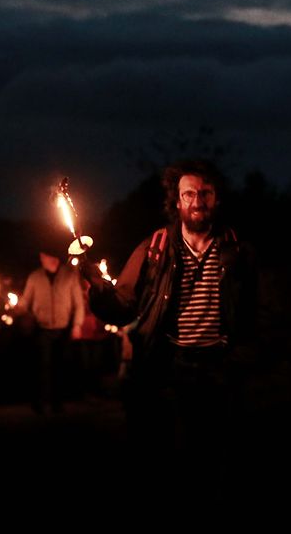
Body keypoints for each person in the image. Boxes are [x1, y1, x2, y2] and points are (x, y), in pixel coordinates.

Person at [79, 157, 260, 454]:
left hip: (220, 366)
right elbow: (124, 305)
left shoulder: (237, 249)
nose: (197, 201)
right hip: (169, 366)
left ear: (217, 198)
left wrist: (243, 355)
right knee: (167, 450)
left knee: (217, 450)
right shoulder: (156, 248)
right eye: (188, 194)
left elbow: (254, 310)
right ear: (176, 201)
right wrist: (98, 288)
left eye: (205, 193)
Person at [18, 241, 86, 414]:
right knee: (42, 366)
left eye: (47, 256)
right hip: (42, 328)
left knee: (59, 366)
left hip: (63, 328)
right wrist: (19, 307)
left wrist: (77, 325)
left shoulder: (69, 275)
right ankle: (39, 402)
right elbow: (26, 300)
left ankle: (57, 403)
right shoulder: (34, 277)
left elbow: (79, 303)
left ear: (55, 258)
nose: (44, 259)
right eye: (43, 256)